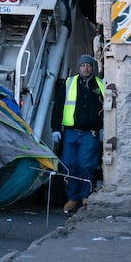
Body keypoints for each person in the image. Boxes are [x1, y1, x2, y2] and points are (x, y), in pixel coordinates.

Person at [51, 54, 105, 215]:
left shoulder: (100, 85)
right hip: (71, 133)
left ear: (92, 67)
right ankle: (73, 197)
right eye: (83, 65)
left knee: (86, 165)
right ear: (79, 67)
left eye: (88, 65)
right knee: (68, 165)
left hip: (90, 133)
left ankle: (85, 195)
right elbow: (59, 107)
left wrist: (104, 129)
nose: (85, 68)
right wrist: (55, 128)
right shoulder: (69, 83)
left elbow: (108, 109)